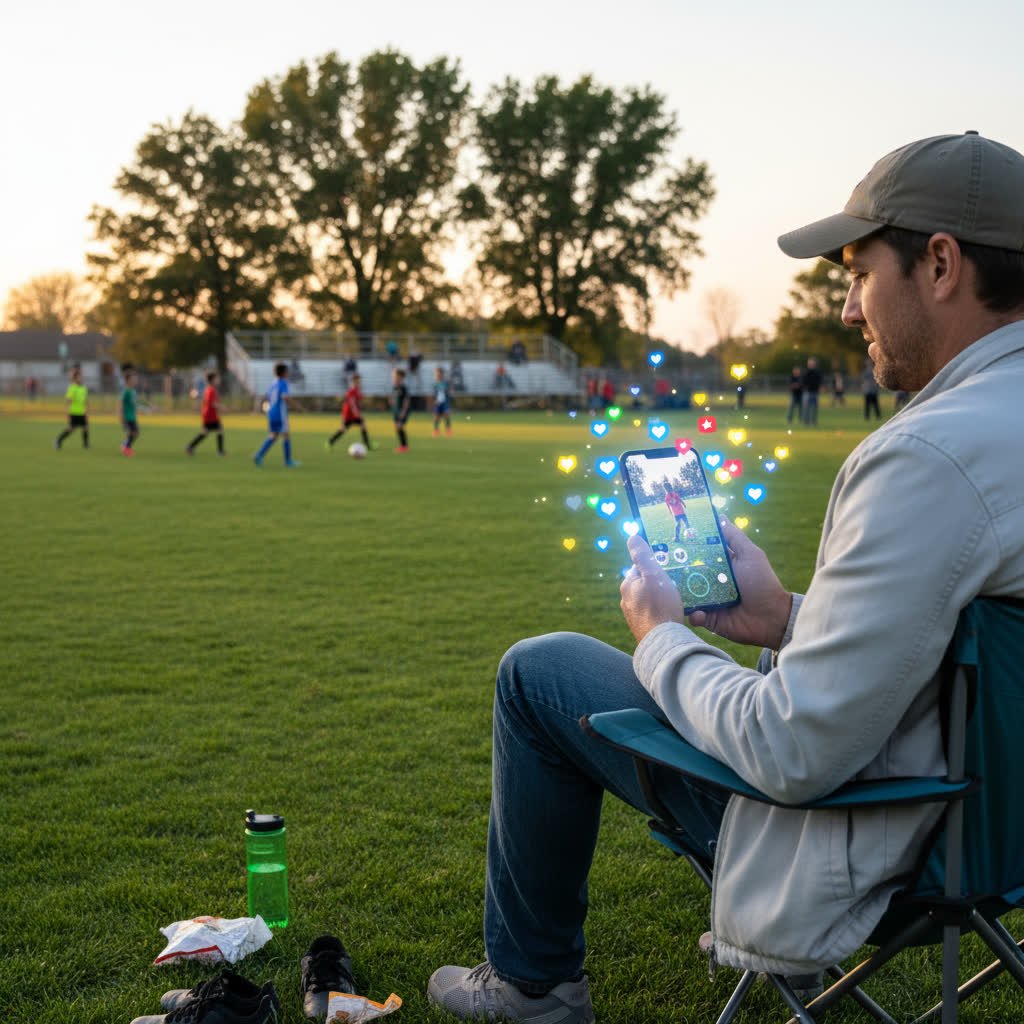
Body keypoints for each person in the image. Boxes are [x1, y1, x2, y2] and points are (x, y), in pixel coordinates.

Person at [427, 131, 1024, 1023]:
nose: (851, 310)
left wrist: (661, 636)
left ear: (940, 263)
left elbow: (791, 751)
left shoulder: (925, 455)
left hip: (895, 837)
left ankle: (532, 987)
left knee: (537, 672)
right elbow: (961, 639)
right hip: (1005, 834)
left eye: (860, 274)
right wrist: (787, 615)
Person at [253, 363, 299, 467]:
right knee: (286, 435)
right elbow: (285, 397)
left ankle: (259, 455)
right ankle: (288, 462)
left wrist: (265, 410)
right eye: (287, 371)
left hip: (271, 412)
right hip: (280, 413)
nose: (288, 373)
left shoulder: (273, 383)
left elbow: (266, 398)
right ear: (284, 373)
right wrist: (297, 407)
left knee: (273, 435)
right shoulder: (283, 383)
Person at [326, 373, 372, 452]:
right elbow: (352, 404)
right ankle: (330, 442)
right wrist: (357, 414)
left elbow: (359, 400)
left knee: (363, 426)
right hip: (349, 415)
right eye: (358, 381)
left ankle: (368, 445)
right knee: (343, 429)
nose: (359, 383)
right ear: (353, 382)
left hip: (354, 414)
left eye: (360, 381)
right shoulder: (351, 391)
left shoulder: (357, 391)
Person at [185, 370, 226, 456]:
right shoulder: (211, 390)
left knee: (206, 432)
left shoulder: (209, 389)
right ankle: (220, 451)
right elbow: (212, 403)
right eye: (217, 378)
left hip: (208, 414)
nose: (218, 380)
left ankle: (190, 446)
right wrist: (221, 407)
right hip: (210, 415)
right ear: (213, 380)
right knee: (219, 430)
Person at [55, 365, 89, 450]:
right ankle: (58, 440)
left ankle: (86, 445)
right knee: (71, 429)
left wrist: (86, 410)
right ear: (75, 378)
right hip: (74, 412)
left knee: (85, 428)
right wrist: (68, 413)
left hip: (82, 412)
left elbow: (85, 401)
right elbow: (68, 401)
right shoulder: (72, 387)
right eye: (78, 377)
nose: (80, 379)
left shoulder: (84, 388)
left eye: (81, 377)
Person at [119, 364, 141, 456]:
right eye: (133, 379)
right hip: (127, 416)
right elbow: (121, 404)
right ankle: (126, 448)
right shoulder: (126, 391)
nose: (135, 380)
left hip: (132, 416)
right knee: (132, 432)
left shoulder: (133, 391)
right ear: (128, 380)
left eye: (135, 379)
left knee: (136, 433)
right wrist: (121, 415)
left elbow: (135, 403)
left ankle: (125, 445)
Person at [391, 367, 412, 453]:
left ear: (400, 377)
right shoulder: (395, 388)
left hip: (403, 411)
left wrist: (403, 411)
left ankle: (404, 446)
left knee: (399, 426)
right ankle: (403, 446)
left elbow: (406, 400)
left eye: (395, 376)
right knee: (397, 428)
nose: (393, 378)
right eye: (393, 376)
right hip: (396, 411)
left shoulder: (403, 388)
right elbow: (395, 399)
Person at [800, 356, 823, 424]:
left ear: (815, 363)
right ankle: (806, 422)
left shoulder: (818, 372)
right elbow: (802, 381)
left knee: (814, 408)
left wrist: (820, 387)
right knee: (806, 408)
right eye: (810, 362)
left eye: (812, 362)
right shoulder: (805, 371)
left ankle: (814, 421)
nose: (811, 363)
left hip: (815, 392)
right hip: (807, 392)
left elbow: (820, 381)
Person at [432, 366, 453, 437]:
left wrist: (449, 403)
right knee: (436, 417)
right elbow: (434, 394)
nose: (438, 375)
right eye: (437, 374)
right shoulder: (435, 384)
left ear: (442, 374)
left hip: (445, 402)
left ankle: (448, 430)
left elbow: (449, 392)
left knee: (446, 415)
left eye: (439, 374)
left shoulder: (446, 383)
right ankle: (436, 430)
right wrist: (435, 401)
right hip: (438, 403)